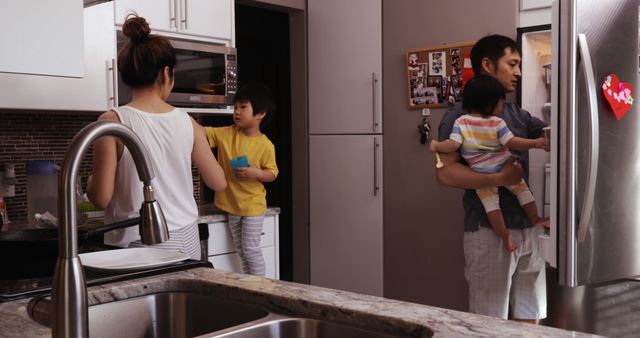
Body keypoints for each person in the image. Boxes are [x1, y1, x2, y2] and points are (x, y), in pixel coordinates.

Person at [87, 14, 227, 260]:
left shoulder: (112, 121)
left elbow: (101, 198)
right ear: (166, 73)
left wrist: (90, 184)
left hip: (135, 244)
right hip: (187, 239)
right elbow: (218, 183)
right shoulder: (190, 124)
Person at [434, 34, 547, 323]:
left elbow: (546, 135)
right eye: (513, 64)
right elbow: (445, 174)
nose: (519, 72)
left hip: (528, 229)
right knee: (488, 324)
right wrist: (500, 176)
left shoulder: (514, 112)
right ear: (487, 64)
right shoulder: (458, 116)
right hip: (488, 230)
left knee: (530, 318)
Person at [430, 75, 549, 252]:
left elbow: (452, 145)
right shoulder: (497, 122)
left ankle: (505, 237)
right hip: (503, 166)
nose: (516, 72)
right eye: (500, 102)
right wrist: (535, 143)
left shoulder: (461, 122)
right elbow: (512, 142)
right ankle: (535, 218)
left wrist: (435, 145)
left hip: (481, 173)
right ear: (490, 103)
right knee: (524, 193)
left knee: (491, 207)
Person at [204, 83, 278, 276]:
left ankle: (260, 288)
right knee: (242, 252)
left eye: (243, 107)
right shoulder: (227, 133)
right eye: (235, 107)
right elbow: (203, 133)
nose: (236, 112)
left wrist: (256, 173)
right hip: (231, 206)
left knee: (251, 251)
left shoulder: (265, 145)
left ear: (260, 114)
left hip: (253, 207)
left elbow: (272, 173)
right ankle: (250, 286)